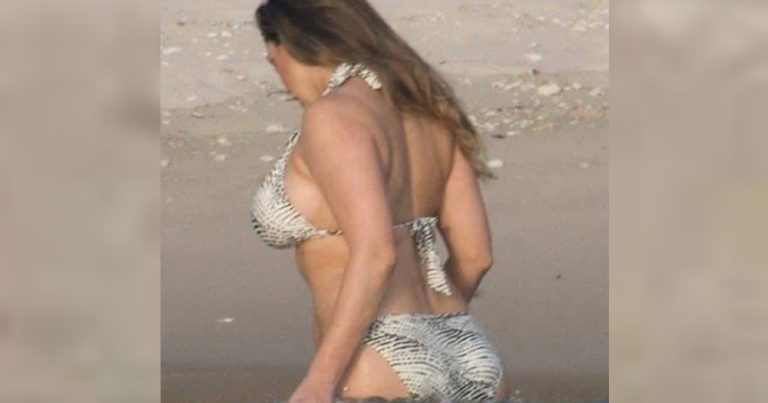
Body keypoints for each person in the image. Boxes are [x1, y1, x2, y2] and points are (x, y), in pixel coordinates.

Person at [250, 0, 511, 401]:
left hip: (382, 360)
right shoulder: (428, 112)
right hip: (467, 349)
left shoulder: (333, 117)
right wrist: (435, 335)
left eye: (273, 61)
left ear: (295, 44)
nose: (283, 81)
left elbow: (376, 253)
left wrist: (319, 382)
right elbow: (476, 256)